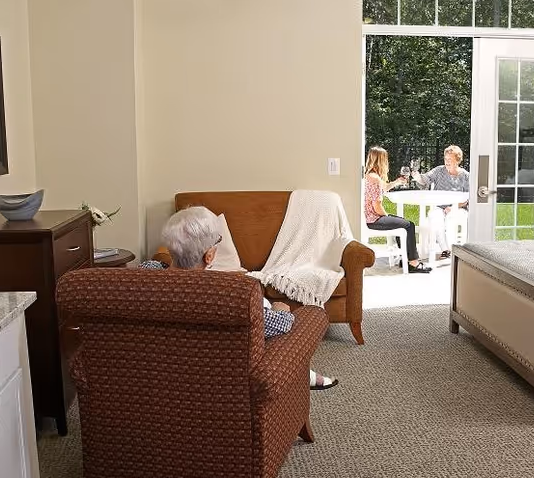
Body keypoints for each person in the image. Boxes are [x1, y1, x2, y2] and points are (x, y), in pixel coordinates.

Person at [139, 206, 338, 390]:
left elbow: (160, 267)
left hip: (153, 379)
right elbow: (279, 325)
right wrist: (281, 310)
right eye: (217, 242)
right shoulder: (227, 298)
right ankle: (303, 375)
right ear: (209, 256)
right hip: (222, 386)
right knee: (288, 323)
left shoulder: (141, 279)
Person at [363, 146, 431, 273]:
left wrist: (397, 182)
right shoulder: (375, 179)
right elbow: (377, 206)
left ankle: (405, 258)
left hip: (368, 217)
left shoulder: (369, 176)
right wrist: (387, 216)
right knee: (409, 225)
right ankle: (413, 263)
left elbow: (384, 187)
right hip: (373, 219)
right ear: (381, 160)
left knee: (402, 222)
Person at [417, 145, 470, 260]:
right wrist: (417, 177)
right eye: (445, 159)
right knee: (435, 216)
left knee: (451, 218)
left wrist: (453, 207)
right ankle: (446, 249)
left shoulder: (465, 175)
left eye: (450, 160)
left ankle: (453, 249)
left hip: (458, 208)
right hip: (440, 207)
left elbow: (468, 198)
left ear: (457, 160)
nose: (447, 162)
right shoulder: (439, 170)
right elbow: (425, 179)